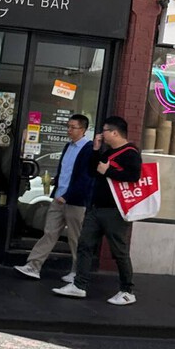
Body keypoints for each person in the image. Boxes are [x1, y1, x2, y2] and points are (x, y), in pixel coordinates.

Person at [52, 116, 141, 305]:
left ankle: (127, 290)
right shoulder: (107, 151)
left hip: (115, 211)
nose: (102, 134)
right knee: (84, 244)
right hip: (96, 208)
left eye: (105, 131)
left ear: (115, 132)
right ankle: (79, 285)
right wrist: (95, 150)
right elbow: (93, 171)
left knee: (119, 251)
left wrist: (108, 171)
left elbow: (133, 176)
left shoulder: (131, 153)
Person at [15, 114, 94, 282]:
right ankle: (33, 266)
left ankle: (77, 272)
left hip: (75, 201)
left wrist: (68, 195)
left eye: (73, 127)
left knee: (75, 238)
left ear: (83, 130)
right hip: (58, 198)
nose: (69, 130)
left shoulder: (88, 149)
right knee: (49, 233)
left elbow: (85, 178)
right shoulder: (68, 147)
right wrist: (56, 186)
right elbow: (64, 171)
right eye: (68, 127)